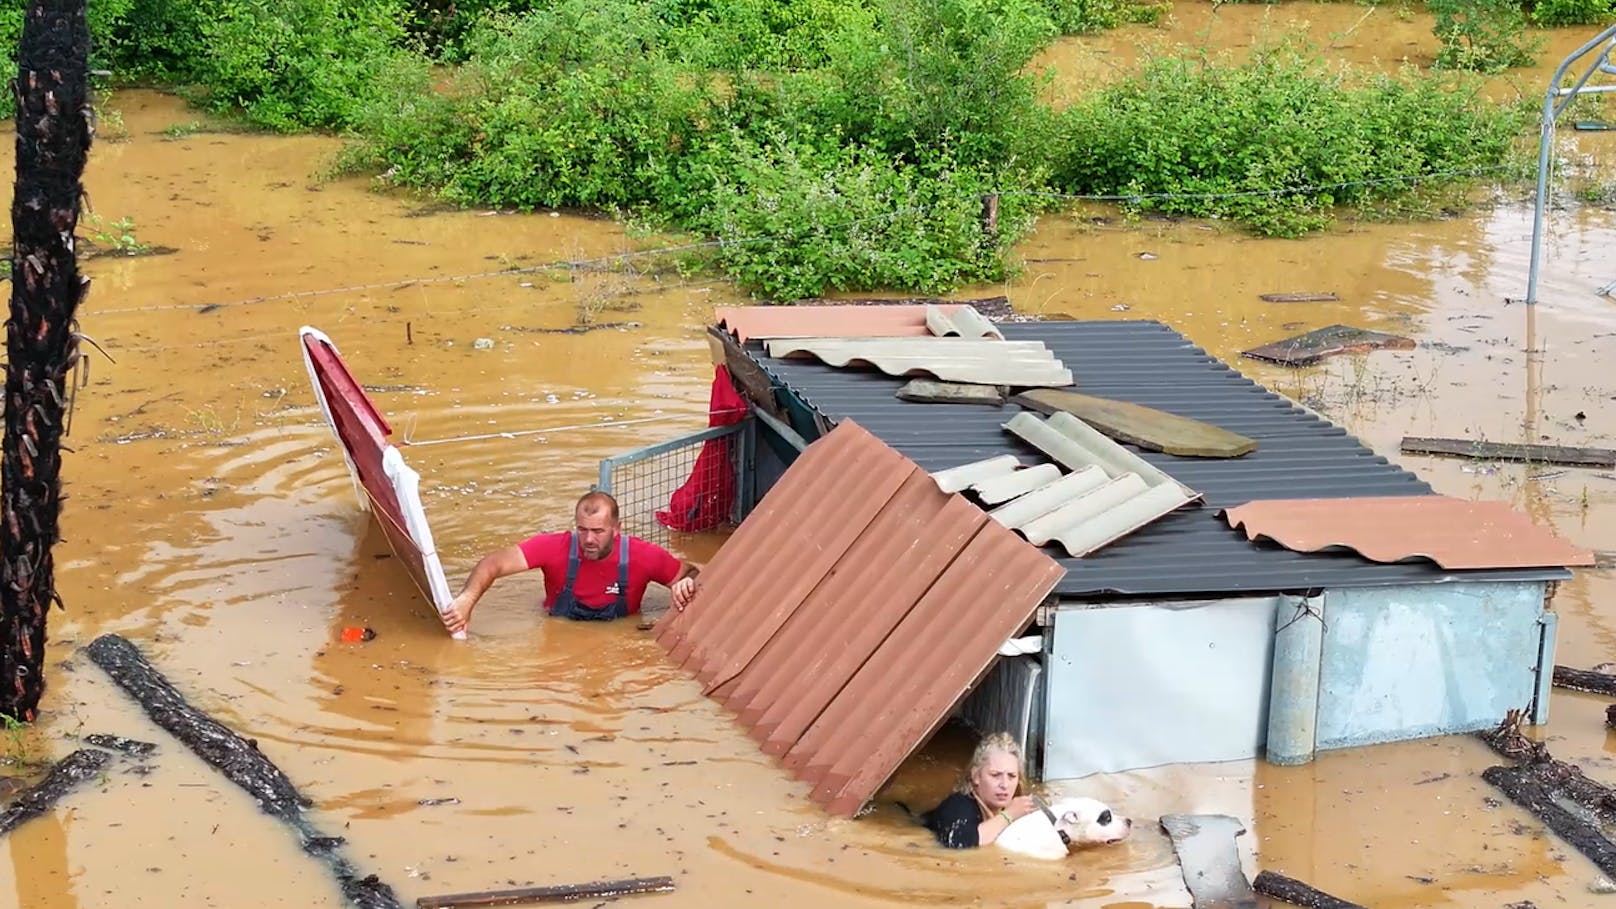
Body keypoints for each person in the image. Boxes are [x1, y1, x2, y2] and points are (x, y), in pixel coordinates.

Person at [444, 491, 699, 633]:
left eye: (598, 531)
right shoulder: (554, 547)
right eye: (582, 529)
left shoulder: (644, 556)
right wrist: (467, 600)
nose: (588, 539)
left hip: (616, 639)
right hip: (557, 629)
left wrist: (684, 583)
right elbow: (493, 563)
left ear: (617, 529)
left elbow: (692, 574)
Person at [923, 732, 1040, 849]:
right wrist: (1009, 815)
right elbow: (960, 843)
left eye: (1012, 776)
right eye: (995, 775)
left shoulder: (1016, 807)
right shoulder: (957, 806)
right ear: (976, 776)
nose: (1004, 784)